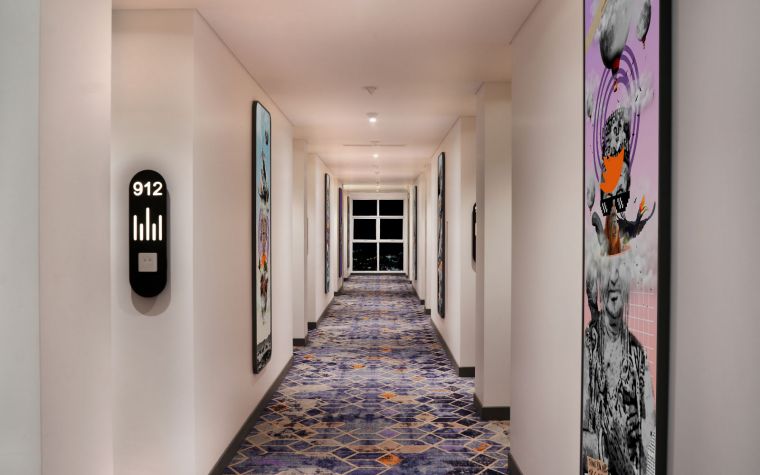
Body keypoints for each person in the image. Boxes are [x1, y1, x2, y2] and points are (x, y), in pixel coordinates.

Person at [581, 252, 655, 475]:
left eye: (619, 268)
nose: (613, 278)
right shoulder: (588, 345)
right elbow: (580, 424)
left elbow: (649, 425)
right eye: (607, 269)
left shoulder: (637, 354)